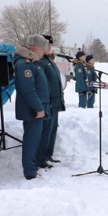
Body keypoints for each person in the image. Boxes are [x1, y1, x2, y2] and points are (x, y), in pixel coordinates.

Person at [13, 35, 51, 180]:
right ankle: (29, 171)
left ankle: (32, 167)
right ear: (35, 48)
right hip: (32, 111)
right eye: (43, 48)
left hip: (36, 109)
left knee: (34, 139)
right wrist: (38, 109)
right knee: (31, 140)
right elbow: (28, 90)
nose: (44, 51)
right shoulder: (25, 64)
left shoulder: (33, 63)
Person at [38, 35, 65, 164]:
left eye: (50, 45)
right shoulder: (41, 62)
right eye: (48, 45)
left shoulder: (49, 61)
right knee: (45, 132)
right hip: (48, 102)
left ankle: (48, 155)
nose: (50, 47)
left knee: (52, 130)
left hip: (54, 102)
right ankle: (41, 158)